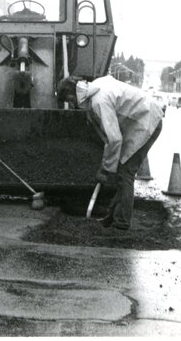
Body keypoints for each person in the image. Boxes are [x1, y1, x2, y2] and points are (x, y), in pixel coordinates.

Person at [56, 74, 164, 230]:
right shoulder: (95, 87)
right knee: (122, 171)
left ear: (73, 94)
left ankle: (122, 222)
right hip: (140, 120)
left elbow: (114, 139)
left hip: (147, 122)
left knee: (126, 172)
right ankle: (113, 217)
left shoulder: (99, 101)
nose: (72, 105)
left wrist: (105, 170)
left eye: (70, 101)